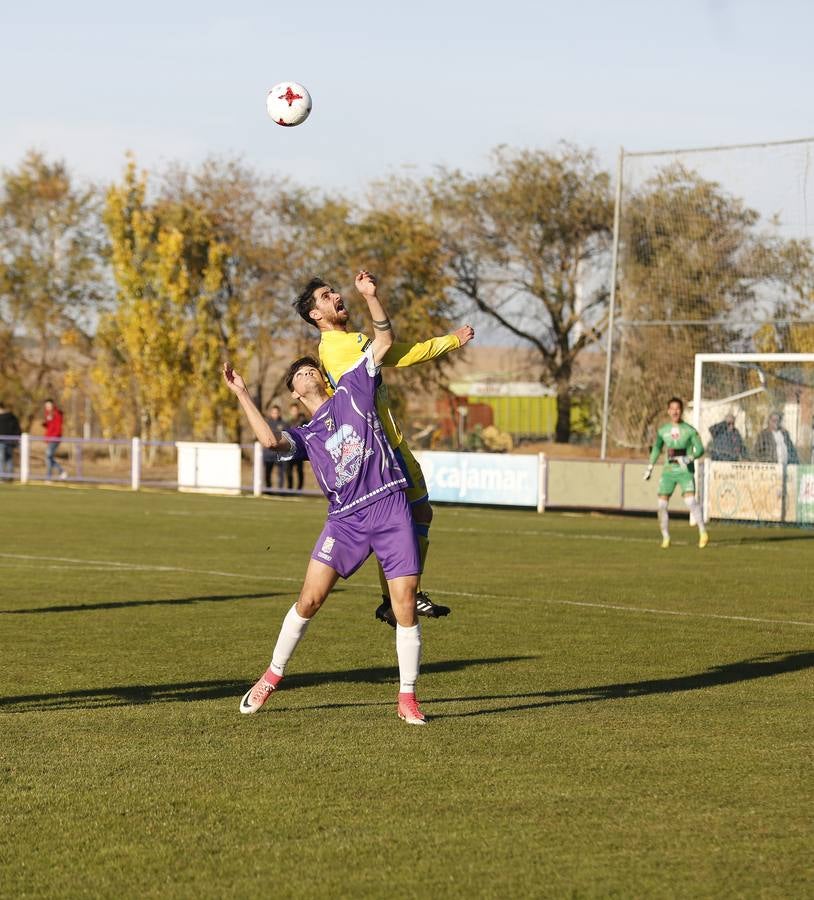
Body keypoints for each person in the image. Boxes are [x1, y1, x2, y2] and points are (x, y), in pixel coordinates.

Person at [224, 270, 427, 725]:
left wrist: (371, 298)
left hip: (389, 503)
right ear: (295, 395)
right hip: (345, 521)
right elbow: (270, 444)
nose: (306, 371)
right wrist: (241, 394)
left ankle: (407, 696)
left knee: (405, 602)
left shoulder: (354, 391)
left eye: (309, 367)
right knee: (309, 601)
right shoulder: (306, 433)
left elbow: (384, 339)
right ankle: (271, 677)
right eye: (297, 374)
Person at [293, 276, 475, 627]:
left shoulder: (345, 343)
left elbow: (399, 352)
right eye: (326, 296)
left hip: (388, 442)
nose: (335, 296)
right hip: (382, 448)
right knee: (407, 519)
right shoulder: (340, 347)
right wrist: (449, 341)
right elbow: (395, 348)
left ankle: (395, 597)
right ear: (316, 314)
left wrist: (449, 341)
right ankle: (397, 598)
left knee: (419, 515)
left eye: (333, 291)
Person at [644, 397, 709, 549]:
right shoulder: (663, 431)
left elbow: (699, 449)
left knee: (690, 502)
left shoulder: (689, 430)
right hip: (668, 472)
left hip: (685, 471)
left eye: (678, 408)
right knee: (661, 505)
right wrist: (650, 467)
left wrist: (689, 458)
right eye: (672, 408)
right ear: (668, 411)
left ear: (681, 411)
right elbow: (656, 448)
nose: (675, 411)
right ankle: (666, 537)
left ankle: (703, 532)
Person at [262, 404, 288, 490]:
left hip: (280, 454)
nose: (275, 414)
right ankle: (268, 490)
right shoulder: (266, 424)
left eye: (276, 412)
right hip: (269, 454)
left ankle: (280, 491)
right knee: (267, 473)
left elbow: (287, 437)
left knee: (281, 473)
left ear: (279, 413)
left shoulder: (284, 424)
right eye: (273, 412)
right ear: (271, 413)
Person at [43, 399, 67, 480]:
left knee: (48, 456)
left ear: (52, 405)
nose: (47, 407)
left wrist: (54, 437)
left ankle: (49, 476)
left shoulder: (57, 414)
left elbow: (58, 428)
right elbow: (50, 426)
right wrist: (45, 424)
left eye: (49, 405)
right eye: (46, 406)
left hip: (55, 438)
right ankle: (61, 471)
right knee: (48, 457)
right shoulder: (47, 414)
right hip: (49, 438)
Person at [286, 401, 308, 490]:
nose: (294, 412)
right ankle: (289, 489)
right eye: (293, 410)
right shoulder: (287, 422)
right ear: (290, 411)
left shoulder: (302, 421)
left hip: (300, 449)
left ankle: (299, 489)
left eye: (296, 410)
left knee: (299, 470)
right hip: (289, 450)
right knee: (288, 470)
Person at [0, 401, 22, 478]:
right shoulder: (12, 417)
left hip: (3, 442)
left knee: (2, 458)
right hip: (10, 441)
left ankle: (3, 476)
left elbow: (17, 430)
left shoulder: (7, 418)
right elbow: (18, 430)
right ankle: (9, 476)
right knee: (9, 459)